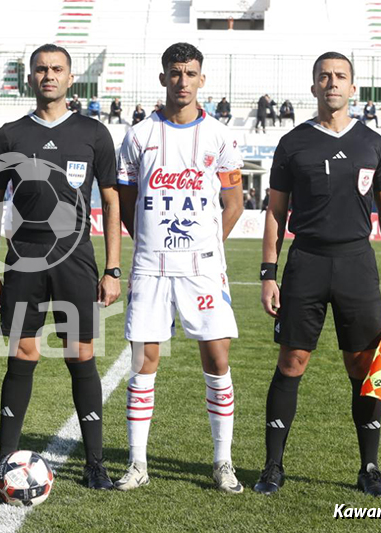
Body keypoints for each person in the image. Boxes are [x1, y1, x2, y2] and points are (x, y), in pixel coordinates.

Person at [254, 52, 381, 497]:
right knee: (291, 362)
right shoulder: (293, 142)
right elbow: (275, 212)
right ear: (314, 85)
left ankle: (370, 468)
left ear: (352, 88)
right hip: (308, 263)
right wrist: (269, 273)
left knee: (363, 368)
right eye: (325, 76)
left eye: (340, 76)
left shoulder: (372, 143)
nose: (332, 83)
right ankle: (272, 467)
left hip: (358, 263)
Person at [0, 43, 121, 489]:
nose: (48, 76)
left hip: (77, 260)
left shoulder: (94, 134)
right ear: (30, 77)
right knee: (22, 353)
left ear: (69, 76)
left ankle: (95, 462)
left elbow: (112, 199)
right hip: (23, 261)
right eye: (40, 69)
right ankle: (5, 459)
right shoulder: (10, 134)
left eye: (56, 69)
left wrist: (113, 268)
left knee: (81, 354)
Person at [116, 42, 245, 493]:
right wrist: (153, 242)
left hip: (203, 269)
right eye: (175, 72)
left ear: (202, 79)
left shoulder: (222, 137)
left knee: (217, 357)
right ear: (163, 77)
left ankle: (222, 462)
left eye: (190, 73)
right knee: (143, 361)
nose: (183, 81)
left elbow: (233, 202)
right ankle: (137, 463)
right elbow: (129, 203)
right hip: (151, 267)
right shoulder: (136, 136)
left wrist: (205, 245)